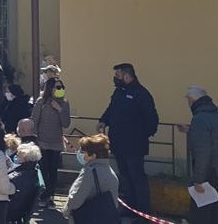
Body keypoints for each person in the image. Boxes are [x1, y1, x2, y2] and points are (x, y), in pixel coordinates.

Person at [97, 63, 158, 217]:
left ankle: (142, 212)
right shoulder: (118, 92)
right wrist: (103, 120)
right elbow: (111, 110)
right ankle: (129, 208)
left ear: (126, 76)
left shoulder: (141, 94)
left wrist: (140, 136)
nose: (115, 79)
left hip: (134, 146)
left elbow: (152, 120)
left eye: (117, 75)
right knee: (124, 177)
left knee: (137, 178)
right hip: (118, 144)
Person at [178, 86, 218, 224]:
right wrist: (191, 130)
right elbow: (212, 136)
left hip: (211, 174)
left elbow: (203, 153)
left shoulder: (199, 120)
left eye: (188, 100)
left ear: (192, 101)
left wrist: (199, 180)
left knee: (201, 214)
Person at [62, 134, 120, 223]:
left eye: (83, 152)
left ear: (93, 155)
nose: (81, 154)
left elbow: (75, 199)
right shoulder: (110, 171)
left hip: (87, 218)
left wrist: (66, 211)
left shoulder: (90, 172)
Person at [32, 77, 70, 208]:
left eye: (62, 87)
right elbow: (34, 121)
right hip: (42, 142)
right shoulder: (41, 102)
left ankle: (50, 196)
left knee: (53, 171)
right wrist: (34, 139)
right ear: (50, 88)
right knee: (43, 170)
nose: (60, 90)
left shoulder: (64, 103)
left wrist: (60, 109)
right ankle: (44, 196)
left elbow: (66, 123)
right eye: (57, 87)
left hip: (56, 143)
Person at [6, 143, 42, 223]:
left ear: (25, 159)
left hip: (10, 210)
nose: (16, 156)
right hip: (18, 208)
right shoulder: (31, 171)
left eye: (18, 155)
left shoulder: (21, 176)